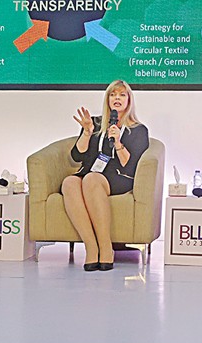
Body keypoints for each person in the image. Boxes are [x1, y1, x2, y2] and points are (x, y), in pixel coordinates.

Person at [62, 80, 149, 272]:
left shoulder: (138, 129)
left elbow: (131, 165)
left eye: (122, 95)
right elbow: (77, 156)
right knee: (69, 182)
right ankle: (91, 247)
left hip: (118, 176)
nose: (116, 98)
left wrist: (118, 142)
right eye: (113, 94)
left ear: (129, 100)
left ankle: (106, 248)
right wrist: (86, 132)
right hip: (91, 172)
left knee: (91, 180)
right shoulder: (95, 123)